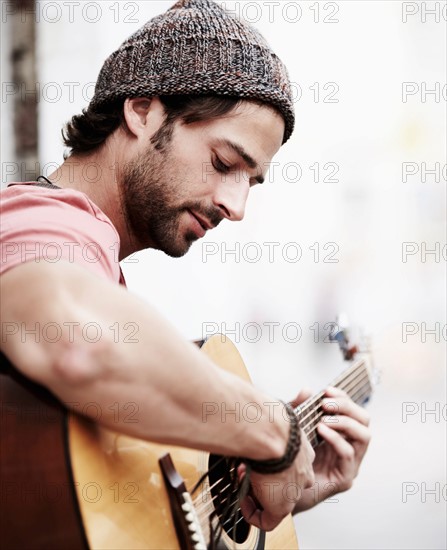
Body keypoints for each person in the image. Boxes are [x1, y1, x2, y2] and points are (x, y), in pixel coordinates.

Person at [0, 0, 370, 537]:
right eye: (224, 163)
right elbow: (81, 342)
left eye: (251, 181)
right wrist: (272, 434)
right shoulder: (38, 222)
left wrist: (242, 496)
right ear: (143, 109)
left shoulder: (91, 256)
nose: (236, 206)